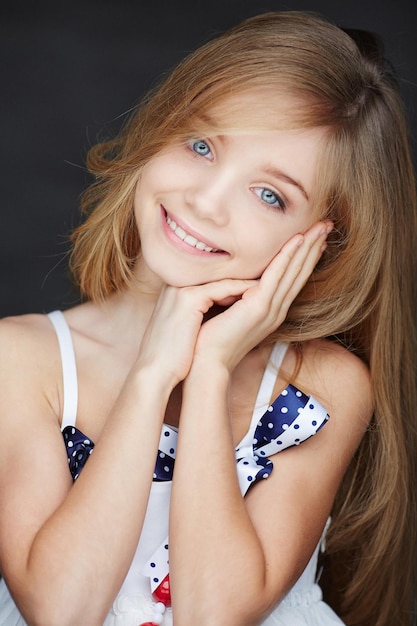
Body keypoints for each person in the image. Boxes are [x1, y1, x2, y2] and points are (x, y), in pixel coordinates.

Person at [0, 10, 416, 626]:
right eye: (201, 145)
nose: (205, 200)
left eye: (269, 194)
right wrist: (152, 375)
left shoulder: (317, 385)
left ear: (324, 243)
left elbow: (213, 614)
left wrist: (212, 369)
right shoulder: (24, 358)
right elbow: (62, 610)